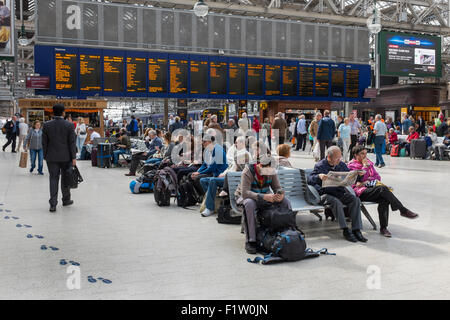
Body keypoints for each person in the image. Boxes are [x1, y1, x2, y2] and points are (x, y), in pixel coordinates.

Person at [348, 145, 419, 237]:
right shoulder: (351, 166)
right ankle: (402, 210)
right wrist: (365, 168)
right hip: (359, 192)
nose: (364, 156)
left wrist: (367, 180)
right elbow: (358, 181)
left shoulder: (369, 163)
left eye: (366, 153)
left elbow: (377, 177)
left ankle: (383, 227)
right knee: (383, 190)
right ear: (355, 155)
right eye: (362, 154)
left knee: (384, 199)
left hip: (371, 188)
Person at [235, 141, 291, 254]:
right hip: (246, 198)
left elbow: (277, 187)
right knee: (249, 203)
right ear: (258, 164)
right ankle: (251, 240)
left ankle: (287, 232)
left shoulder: (271, 170)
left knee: (285, 202)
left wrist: (280, 194)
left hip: (264, 197)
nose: (268, 172)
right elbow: (245, 193)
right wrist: (263, 197)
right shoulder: (248, 171)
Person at [308, 146, 367, 243]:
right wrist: (319, 176)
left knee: (355, 200)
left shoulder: (341, 165)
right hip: (325, 194)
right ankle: (345, 229)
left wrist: (359, 176)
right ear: (329, 157)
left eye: (340, 157)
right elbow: (309, 180)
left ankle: (356, 229)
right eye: (337, 158)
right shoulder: (320, 165)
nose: (339, 160)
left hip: (339, 192)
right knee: (336, 202)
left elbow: (350, 177)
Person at [200, 138, 250, 217]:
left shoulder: (245, 154)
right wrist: (224, 173)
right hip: (229, 176)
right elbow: (231, 167)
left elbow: (238, 170)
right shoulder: (236, 152)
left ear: (242, 143)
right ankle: (214, 201)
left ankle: (210, 208)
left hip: (234, 178)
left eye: (236, 142)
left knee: (213, 180)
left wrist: (226, 174)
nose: (235, 144)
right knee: (203, 180)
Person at [42, 104, 77, 212]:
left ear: (53, 112)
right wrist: (73, 157)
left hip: (51, 157)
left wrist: (45, 155)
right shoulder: (69, 125)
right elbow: (72, 143)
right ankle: (66, 200)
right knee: (65, 178)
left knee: (53, 178)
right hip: (66, 157)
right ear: (63, 113)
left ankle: (53, 204)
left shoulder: (46, 125)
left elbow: (44, 143)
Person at [189, 132, 227, 197]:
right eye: (202, 141)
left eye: (204, 142)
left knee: (198, 178)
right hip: (211, 171)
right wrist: (198, 171)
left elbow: (213, 167)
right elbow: (204, 164)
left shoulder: (218, 150)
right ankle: (202, 195)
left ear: (210, 142)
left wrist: (199, 173)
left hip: (218, 172)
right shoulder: (207, 150)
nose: (202, 143)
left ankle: (210, 196)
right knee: (190, 176)